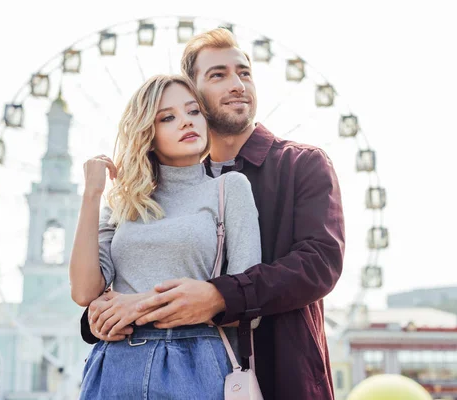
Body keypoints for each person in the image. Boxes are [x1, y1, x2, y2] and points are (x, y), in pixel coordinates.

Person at [83, 28, 345, 399]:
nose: (237, 84)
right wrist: (105, 314)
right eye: (218, 75)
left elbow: (320, 264)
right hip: (174, 373)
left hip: (281, 371)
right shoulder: (161, 188)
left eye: (245, 72)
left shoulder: (302, 164)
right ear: (193, 94)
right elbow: (138, 267)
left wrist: (218, 296)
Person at [69, 74, 262, 399]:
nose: (186, 122)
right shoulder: (122, 201)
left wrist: (137, 305)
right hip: (117, 363)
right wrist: (92, 195)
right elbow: (85, 291)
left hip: (196, 362)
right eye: (168, 117)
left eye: (193, 112)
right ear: (148, 132)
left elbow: (246, 306)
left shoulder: (229, 189)